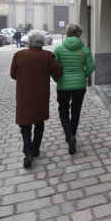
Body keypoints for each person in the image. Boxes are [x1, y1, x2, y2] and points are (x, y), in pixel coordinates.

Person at [10, 30, 63, 168]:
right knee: (39, 123)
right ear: (42, 42)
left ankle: (27, 151)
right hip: (41, 94)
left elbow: (13, 74)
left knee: (25, 124)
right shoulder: (47, 55)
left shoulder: (19, 55)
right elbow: (58, 72)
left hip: (24, 94)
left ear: (29, 42)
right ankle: (35, 149)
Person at [53, 23, 94, 155]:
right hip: (79, 87)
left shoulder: (58, 49)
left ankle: (69, 136)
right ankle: (73, 135)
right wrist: (83, 76)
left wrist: (56, 79)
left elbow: (54, 68)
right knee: (75, 112)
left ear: (67, 33)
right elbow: (91, 67)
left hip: (63, 86)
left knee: (63, 111)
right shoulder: (85, 49)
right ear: (79, 34)